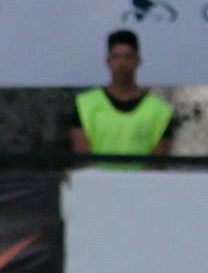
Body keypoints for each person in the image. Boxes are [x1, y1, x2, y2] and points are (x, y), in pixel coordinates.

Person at [69, 28, 172, 168]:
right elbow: (83, 161)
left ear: (137, 61)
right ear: (108, 61)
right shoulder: (84, 105)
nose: (121, 64)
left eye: (127, 57)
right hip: (97, 187)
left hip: (141, 188)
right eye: (116, 57)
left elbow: (157, 166)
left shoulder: (160, 111)